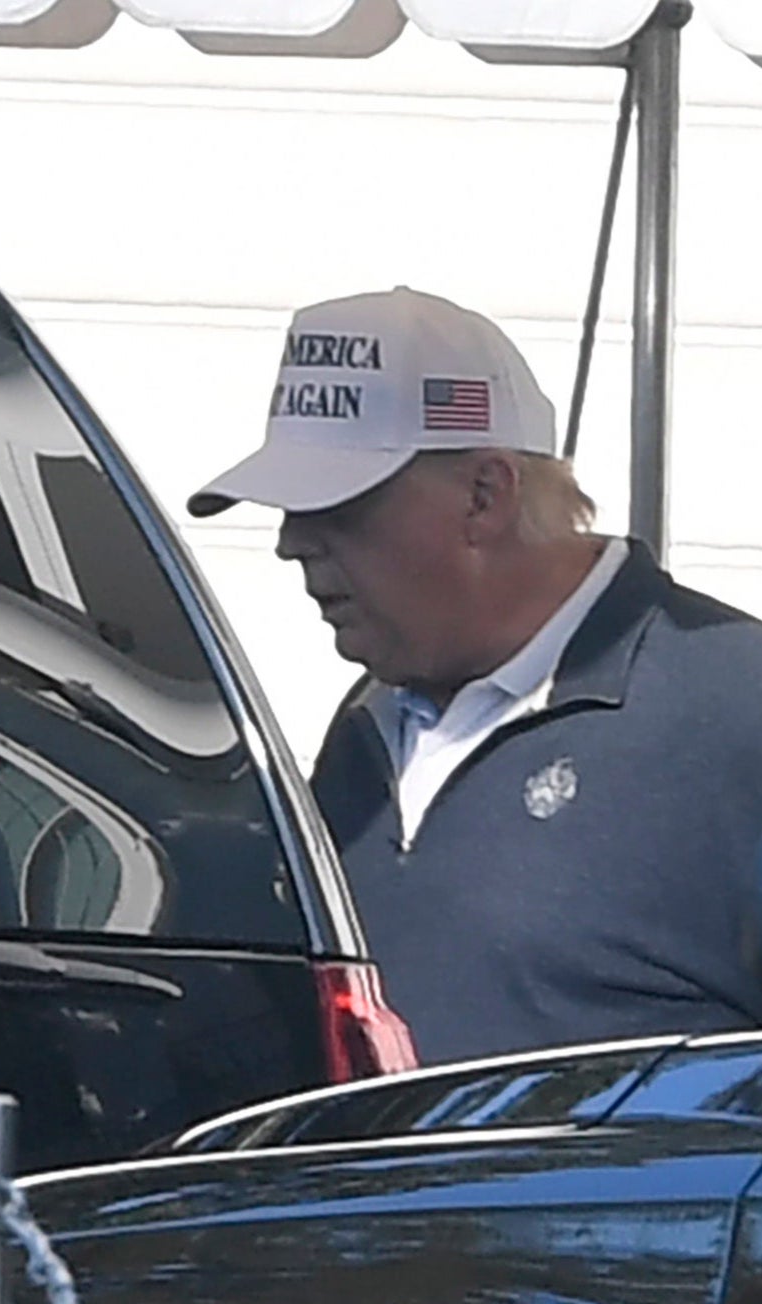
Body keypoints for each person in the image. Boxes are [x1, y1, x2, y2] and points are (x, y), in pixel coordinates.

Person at [191, 287, 762, 1064]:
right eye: (287, 509)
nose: (292, 542)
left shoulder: (732, 713)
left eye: (336, 506)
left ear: (485, 495)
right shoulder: (371, 726)